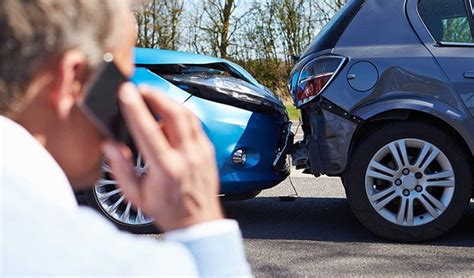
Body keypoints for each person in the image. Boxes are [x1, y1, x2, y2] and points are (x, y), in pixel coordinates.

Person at [0, 0, 251, 276]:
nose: (123, 102)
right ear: (72, 79)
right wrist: (201, 225)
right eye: (118, 83)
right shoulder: (91, 259)